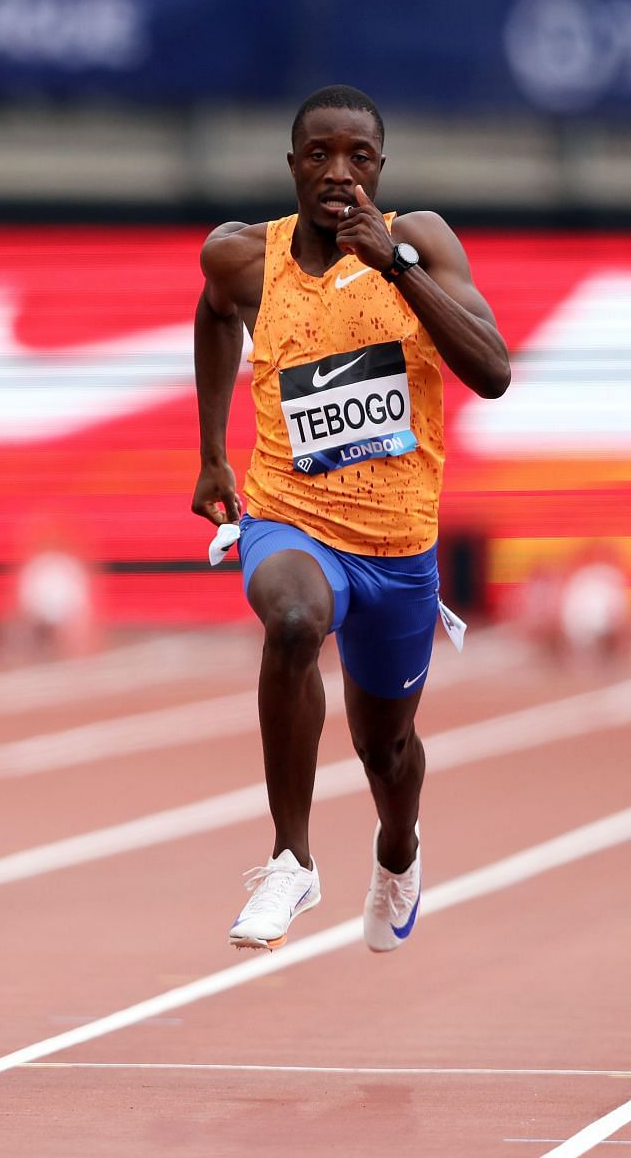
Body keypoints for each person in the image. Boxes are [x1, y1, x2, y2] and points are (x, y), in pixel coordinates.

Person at [193, 84, 510, 953]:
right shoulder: (243, 258)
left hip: (398, 549)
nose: (339, 174)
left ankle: (398, 851)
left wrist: (396, 266)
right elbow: (216, 315)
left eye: (358, 158)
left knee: (387, 750)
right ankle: (291, 860)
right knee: (292, 621)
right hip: (291, 519)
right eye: (320, 156)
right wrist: (213, 450)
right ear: (292, 165)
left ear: (380, 169)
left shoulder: (424, 242)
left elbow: (491, 371)